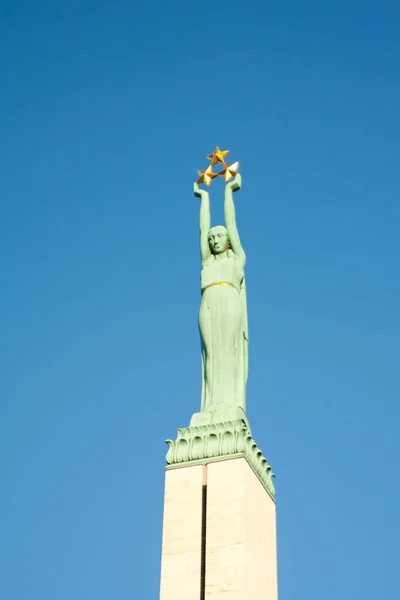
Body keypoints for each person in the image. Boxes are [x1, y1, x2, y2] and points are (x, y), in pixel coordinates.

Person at [194, 174, 248, 415]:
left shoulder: (237, 260)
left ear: (228, 241)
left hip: (228, 300)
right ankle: (211, 406)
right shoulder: (207, 263)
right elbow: (202, 228)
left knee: (226, 350)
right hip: (208, 302)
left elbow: (232, 222)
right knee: (210, 354)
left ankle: (227, 404)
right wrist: (203, 198)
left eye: (220, 236)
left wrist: (228, 192)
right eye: (212, 237)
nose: (215, 239)